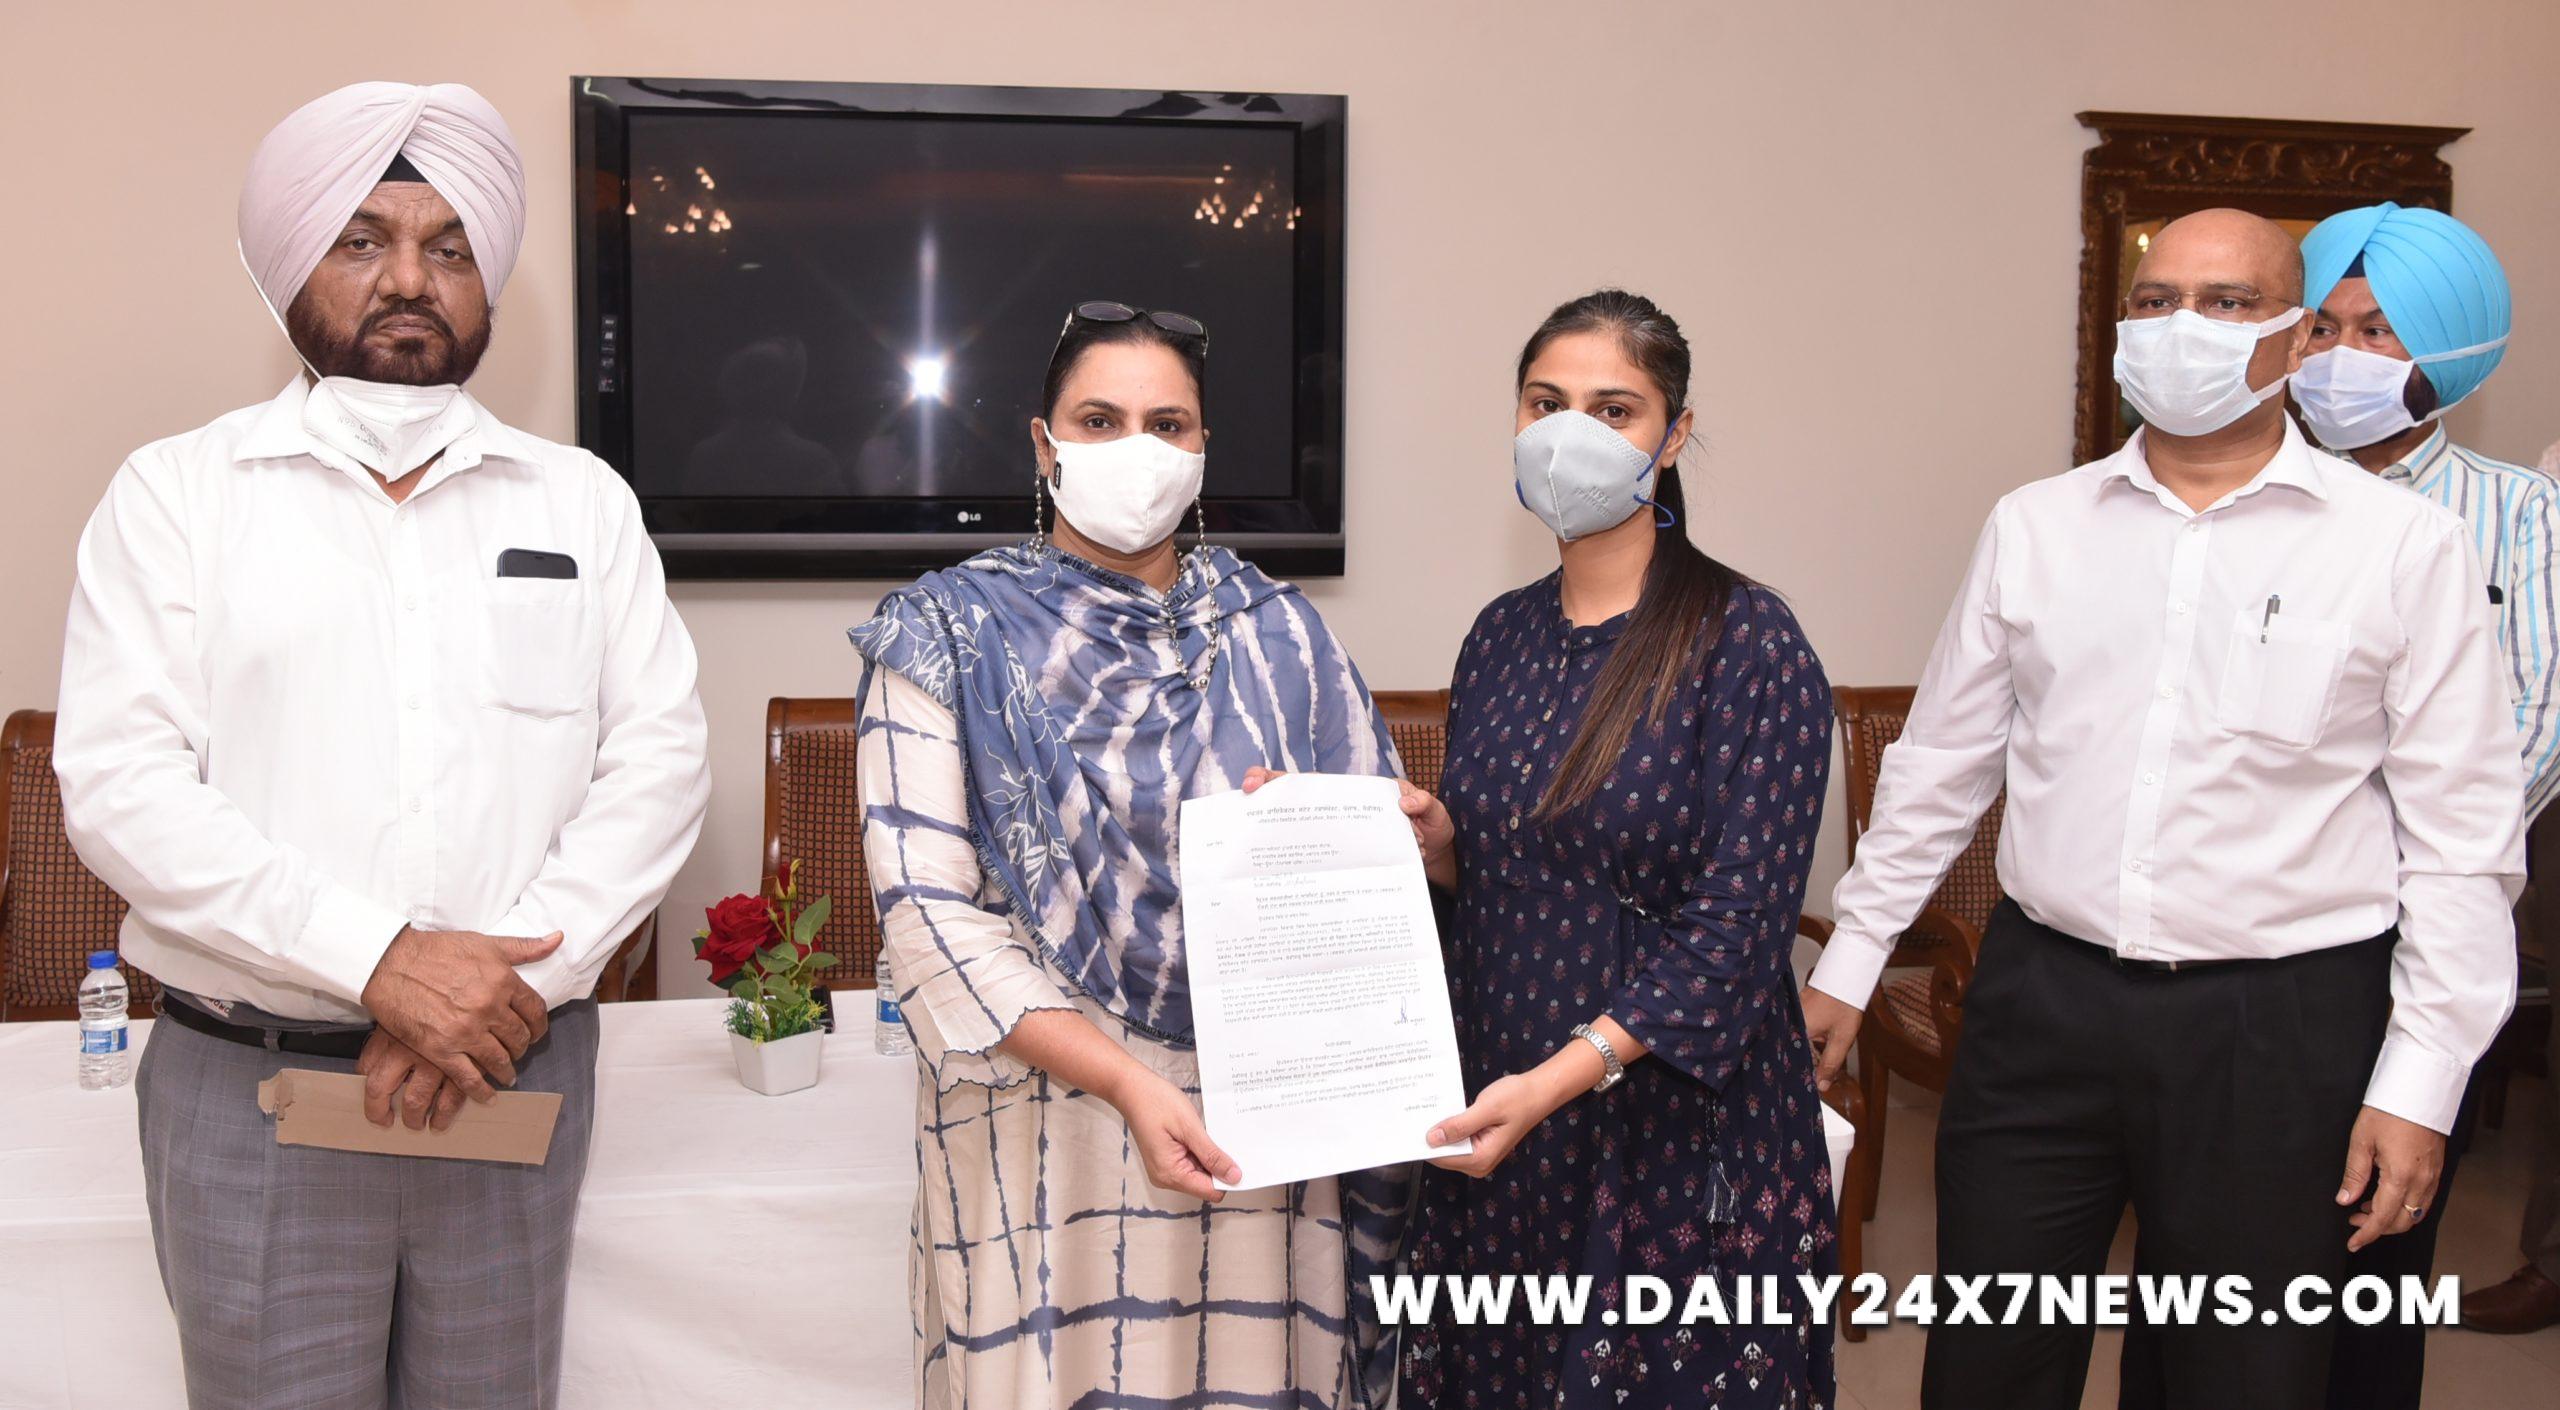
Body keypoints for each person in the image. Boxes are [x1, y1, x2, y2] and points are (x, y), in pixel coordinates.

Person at [52, 82, 711, 1409]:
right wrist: (381, 962)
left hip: (508, 1074)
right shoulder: (177, 495)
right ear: (292, 262)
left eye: (448, 246)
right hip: (253, 1094)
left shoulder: (580, 502)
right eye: (362, 240)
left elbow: (659, 765)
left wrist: (503, 989)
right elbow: (123, 788)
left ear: (486, 280)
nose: (410, 278)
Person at [1799, 209, 2523, 1410]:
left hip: (2280, 1026)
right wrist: (1854, 955)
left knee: (2236, 1372)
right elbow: (1942, 764)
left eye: (2226, 302)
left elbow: (2462, 842)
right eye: (2155, 301)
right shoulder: (2035, 525)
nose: (2182, 326)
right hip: (2044, 1005)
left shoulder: (2403, 548)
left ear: (2294, 337)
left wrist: (2421, 1079)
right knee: (1989, 1359)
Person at [848, 301, 1412, 1410]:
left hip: (1261, 1118)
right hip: (1042, 1120)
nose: (1135, 451)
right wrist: (1125, 1083)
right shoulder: (943, 632)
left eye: (1168, 425)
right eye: (1099, 421)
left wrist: (1412, 842)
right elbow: (926, 916)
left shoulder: (1282, 633)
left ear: (1203, 451)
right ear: (1043, 444)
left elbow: (1373, 882)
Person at [1390, 290, 1838, 1408]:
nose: (1570, 434)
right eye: (1546, 404)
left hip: (1671, 1125)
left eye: (1613, 409)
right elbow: (1519, 875)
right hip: (1503, 1099)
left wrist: (1554, 1083)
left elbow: (1739, 934)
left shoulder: (1748, 639)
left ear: (1672, 436)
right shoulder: (1499, 634)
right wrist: (1442, 848)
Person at [2292, 202, 2560, 1382]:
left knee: (2377, 1233)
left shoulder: (2519, 511)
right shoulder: (2254, 496)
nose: (2342, 356)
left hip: (2423, 923)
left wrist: (2410, 846)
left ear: (2447, 349)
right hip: (2272, 921)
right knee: (2230, 1231)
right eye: (2324, 327)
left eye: (2380, 332)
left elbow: (2536, 716)